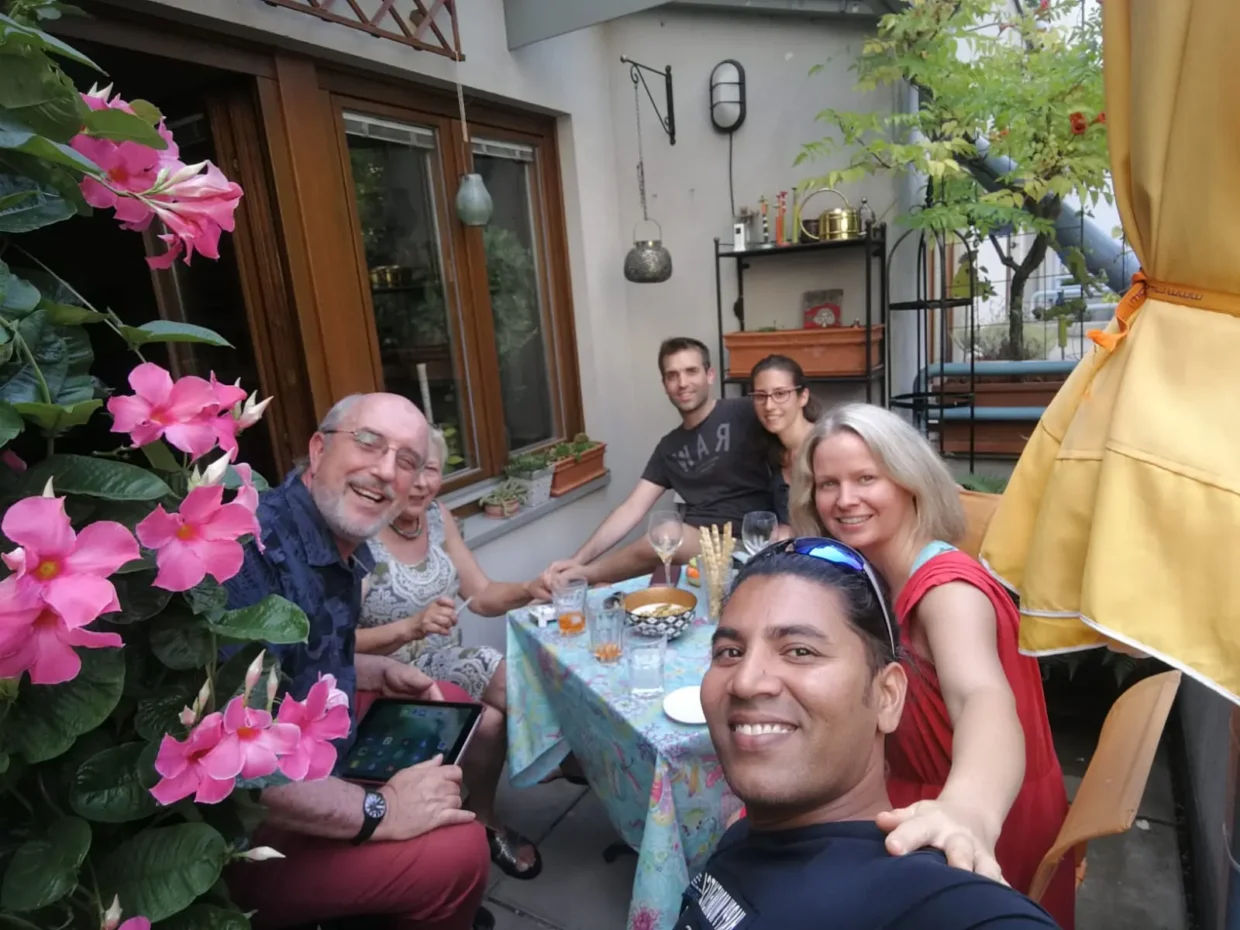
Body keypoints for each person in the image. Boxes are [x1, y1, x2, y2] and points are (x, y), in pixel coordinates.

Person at [787, 403, 1073, 928]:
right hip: (913, 797)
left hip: (980, 817)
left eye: (866, 478)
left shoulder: (947, 592)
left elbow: (981, 696)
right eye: (828, 484)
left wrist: (968, 810)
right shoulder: (874, 576)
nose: (844, 499)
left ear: (910, 482)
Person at [682, 539, 1059, 929]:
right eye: (730, 652)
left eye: (800, 651)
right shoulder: (743, 836)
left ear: (888, 696)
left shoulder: (927, 898)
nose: (745, 682)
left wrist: (971, 810)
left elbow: (980, 695)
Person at [223, 392, 495, 930]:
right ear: (318, 448)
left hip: (317, 748)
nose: (387, 471)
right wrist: (383, 811)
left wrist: (374, 669)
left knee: (449, 704)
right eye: (369, 443)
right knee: (461, 850)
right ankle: (432, 887)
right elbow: (241, 764)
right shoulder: (248, 555)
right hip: (239, 836)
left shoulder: (340, 541)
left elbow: (305, 654)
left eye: (408, 460)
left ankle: (407, 897)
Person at [358, 426, 542, 880]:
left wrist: (531, 588)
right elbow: (336, 642)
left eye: (432, 470)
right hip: (383, 677)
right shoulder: (361, 532)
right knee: (490, 722)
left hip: (442, 659)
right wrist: (410, 626)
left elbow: (480, 594)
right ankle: (481, 820)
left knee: (517, 682)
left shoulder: (437, 516)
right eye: (412, 469)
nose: (422, 483)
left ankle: (549, 766)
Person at [537, 337, 773, 590]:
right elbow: (631, 509)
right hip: (696, 553)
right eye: (672, 376)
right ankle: (581, 574)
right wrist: (577, 559)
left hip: (749, 544)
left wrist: (789, 526)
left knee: (665, 533)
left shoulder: (745, 411)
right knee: (603, 589)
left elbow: (795, 441)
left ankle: (583, 575)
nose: (682, 383)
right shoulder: (669, 448)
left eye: (691, 371)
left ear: (710, 375)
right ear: (665, 385)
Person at [749, 354, 821, 527]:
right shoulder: (772, 451)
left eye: (780, 394)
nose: (769, 406)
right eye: (760, 396)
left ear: (802, 397)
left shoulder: (824, 445)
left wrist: (793, 531)